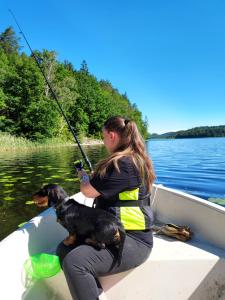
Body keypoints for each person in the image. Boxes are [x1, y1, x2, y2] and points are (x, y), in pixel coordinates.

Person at [56, 116, 156, 300]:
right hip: (112, 231)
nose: (103, 141)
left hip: (133, 239)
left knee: (74, 263)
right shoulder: (132, 159)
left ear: (111, 135)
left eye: (103, 137)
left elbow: (87, 191)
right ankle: (96, 294)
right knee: (63, 249)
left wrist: (84, 177)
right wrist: (97, 178)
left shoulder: (124, 164)